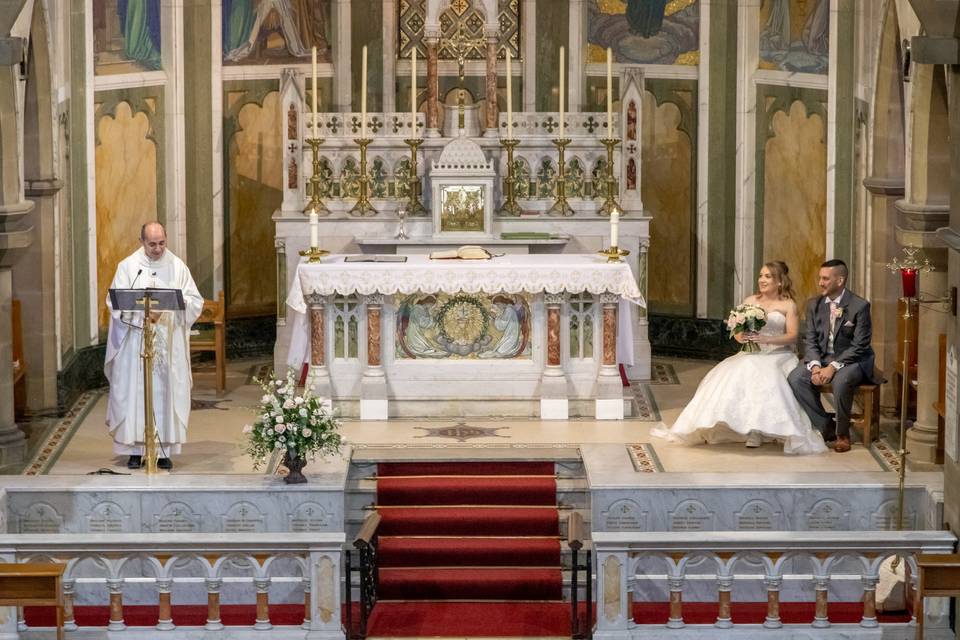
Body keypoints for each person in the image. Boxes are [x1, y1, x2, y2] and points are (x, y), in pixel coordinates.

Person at [652, 261, 827, 455]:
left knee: (763, 372)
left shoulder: (787, 305)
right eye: (761, 275)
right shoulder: (750, 301)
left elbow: (792, 335)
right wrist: (741, 337)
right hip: (751, 353)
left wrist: (767, 338)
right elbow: (737, 330)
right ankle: (748, 428)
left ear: (780, 281)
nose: (762, 280)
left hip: (778, 354)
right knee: (739, 368)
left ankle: (761, 429)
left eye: (768, 276)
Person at [104, 222, 203, 470]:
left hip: (167, 344)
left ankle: (162, 450)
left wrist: (167, 312)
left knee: (165, 393)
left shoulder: (177, 266)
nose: (158, 249)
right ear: (142, 241)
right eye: (152, 244)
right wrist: (142, 315)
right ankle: (135, 450)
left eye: (161, 243)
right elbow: (114, 301)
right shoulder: (128, 267)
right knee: (134, 395)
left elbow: (194, 301)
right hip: (135, 345)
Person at [788, 259, 877, 453]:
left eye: (825, 279)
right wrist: (815, 366)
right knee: (796, 378)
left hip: (852, 361)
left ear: (840, 280)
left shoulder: (859, 306)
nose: (820, 282)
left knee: (841, 382)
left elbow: (860, 345)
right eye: (820, 278)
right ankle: (826, 426)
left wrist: (833, 366)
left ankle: (843, 434)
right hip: (822, 359)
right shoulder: (814, 305)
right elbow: (810, 339)